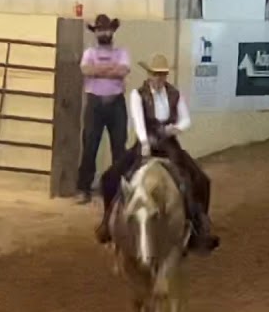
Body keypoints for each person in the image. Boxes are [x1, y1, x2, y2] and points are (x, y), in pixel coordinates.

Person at [94, 53, 219, 254]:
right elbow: (138, 121)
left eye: (162, 75)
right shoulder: (138, 94)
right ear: (149, 74)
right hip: (146, 142)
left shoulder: (174, 94)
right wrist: (144, 142)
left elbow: (186, 119)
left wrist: (175, 128)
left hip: (169, 143)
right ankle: (108, 223)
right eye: (155, 74)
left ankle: (198, 227)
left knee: (200, 179)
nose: (159, 78)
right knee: (110, 178)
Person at [75, 14, 131, 203]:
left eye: (106, 29)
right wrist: (111, 71)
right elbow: (86, 70)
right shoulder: (90, 52)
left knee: (119, 147)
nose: (104, 32)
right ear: (96, 32)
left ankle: (118, 189)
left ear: (112, 31)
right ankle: (83, 188)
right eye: (100, 29)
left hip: (115, 103)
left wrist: (98, 71)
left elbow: (122, 71)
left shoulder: (121, 52)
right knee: (89, 146)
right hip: (95, 103)